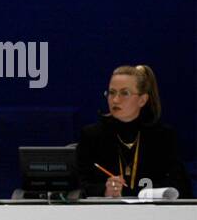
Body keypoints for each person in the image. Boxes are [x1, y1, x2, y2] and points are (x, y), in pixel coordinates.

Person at [75, 65, 192, 199]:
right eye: (112, 92)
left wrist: (130, 193)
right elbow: (78, 186)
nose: (115, 100)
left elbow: (180, 186)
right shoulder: (92, 136)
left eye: (124, 93)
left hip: (153, 215)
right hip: (105, 214)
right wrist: (104, 191)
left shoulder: (163, 136)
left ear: (142, 100)